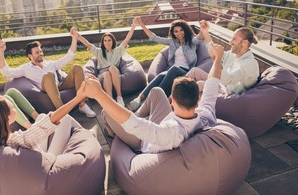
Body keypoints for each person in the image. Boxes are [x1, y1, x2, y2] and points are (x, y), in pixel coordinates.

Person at [80, 42, 225, 154]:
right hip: (165, 120)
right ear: (198, 100)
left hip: (142, 141)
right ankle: (138, 113)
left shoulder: (170, 133)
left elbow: (134, 125)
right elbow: (213, 81)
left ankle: (111, 133)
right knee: (156, 91)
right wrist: (217, 58)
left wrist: (99, 94)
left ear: (172, 101)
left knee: (106, 113)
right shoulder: (206, 111)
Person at [0, 79, 90, 157]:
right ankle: (86, 135)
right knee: (63, 119)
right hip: (49, 164)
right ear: (7, 119)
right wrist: (78, 98)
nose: (15, 109)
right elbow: (52, 119)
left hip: (30, 161)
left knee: (41, 116)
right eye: (13, 108)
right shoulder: (20, 140)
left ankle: (85, 134)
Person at [0, 33, 96, 118]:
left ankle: (82, 105)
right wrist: (1, 53)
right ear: (30, 56)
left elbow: (69, 56)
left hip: (59, 86)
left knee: (77, 67)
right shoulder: (25, 68)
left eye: (41, 51)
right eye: (37, 52)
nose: (40, 54)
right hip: (45, 90)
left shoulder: (50, 64)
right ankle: (63, 113)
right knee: (48, 75)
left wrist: (74, 38)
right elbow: (6, 72)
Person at [128, 16, 205, 111]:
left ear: (185, 30)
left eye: (181, 30)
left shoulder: (191, 41)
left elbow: (199, 38)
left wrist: (203, 28)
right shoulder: (172, 42)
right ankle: (139, 99)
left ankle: (151, 100)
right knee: (161, 75)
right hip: (172, 70)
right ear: (173, 33)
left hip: (185, 70)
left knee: (173, 69)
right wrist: (142, 25)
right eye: (176, 31)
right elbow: (154, 38)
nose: (179, 33)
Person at [70, 20, 136, 106]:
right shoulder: (99, 52)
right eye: (105, 40)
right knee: (107, 73)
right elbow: (87, 44)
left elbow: (127, 39)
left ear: (113, 41)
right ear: (102, 42)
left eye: (109, 40)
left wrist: (133, 27)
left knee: (112, 68)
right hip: (103, 74)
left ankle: (119, 97)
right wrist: (77, 35)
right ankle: (110, 100)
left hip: (115, 73)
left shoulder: (118, 51)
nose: (107, 42)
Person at [186, 20, 259, 95]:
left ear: (245, 43)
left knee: (200, 85)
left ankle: (180, 103)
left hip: (228, 94)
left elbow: (227, 80)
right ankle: (174, 97)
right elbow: (213, 50)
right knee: (194, 72)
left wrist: (216, 58)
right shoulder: (233, 54)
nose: (230, 42)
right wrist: (205, 32)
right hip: (220, 84)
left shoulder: (249, 64)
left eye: (234, 39)